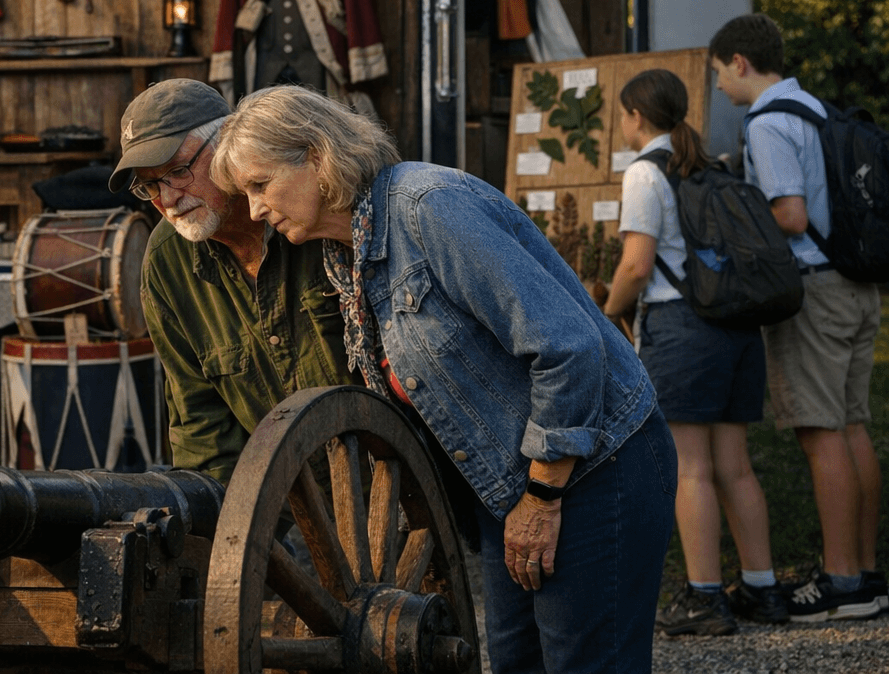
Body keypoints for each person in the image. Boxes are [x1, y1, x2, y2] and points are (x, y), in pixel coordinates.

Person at [212, 84, 675, 674]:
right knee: (515, 663)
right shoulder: (344, 253)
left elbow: (568, 346)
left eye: (260, 185)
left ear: (315, 155)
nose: (255, 210)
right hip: (513, 491)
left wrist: (542, 496)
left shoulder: (428, 208)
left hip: (595, 469)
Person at [709, 13, 886, 620]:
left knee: (820, 434)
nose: (719, 90)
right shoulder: (815, 108)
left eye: (718, 76)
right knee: (854, 426)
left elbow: (787, 214)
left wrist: (735, 220)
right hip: (855, 284)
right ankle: (864, 574)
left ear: (739, 62)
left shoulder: (767, 122)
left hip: (811, 287)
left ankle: (838, 582)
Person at [601, 69, 786, 634]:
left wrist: (607, 316)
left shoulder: (643, 174)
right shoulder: (706, 165)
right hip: (735, 329)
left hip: (682, 330)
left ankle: (705, 598)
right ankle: (763, 589)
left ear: (635, 116)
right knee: (736, 466)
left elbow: (636, 264)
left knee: (692, 471)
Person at [107, 79, 358, 486]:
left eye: (178, 171)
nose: (168, 199)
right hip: (285, 502)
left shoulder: (316, 211)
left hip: (398, 479)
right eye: (150, 185)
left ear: (227, 144)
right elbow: (200, 423)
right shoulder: (167, 263)